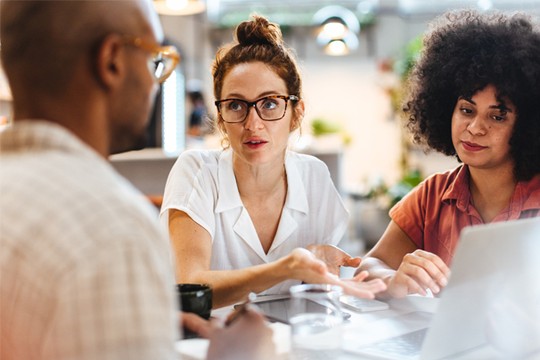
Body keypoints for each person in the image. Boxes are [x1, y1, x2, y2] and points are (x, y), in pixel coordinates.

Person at [0, 1, 276, 359]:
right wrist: (240, 354)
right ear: (112, 60)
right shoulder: (112, 230)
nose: (154, 81)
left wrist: (146, 323)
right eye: (153, 59)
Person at [160, 15, 386, 308]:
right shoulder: (197, 172)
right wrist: (285, 268)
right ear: (221, 116)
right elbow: (191, 288)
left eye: (269, 103)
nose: (253, 123)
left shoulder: (314, 177)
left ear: (297, 112)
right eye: (236, 105)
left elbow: (313, 298)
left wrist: (323, 275)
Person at [359, 9, 540, 299]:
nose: (475, 128)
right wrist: (393, 279)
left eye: (497, 116)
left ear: (528, 125)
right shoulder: (430, 198)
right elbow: (368, 267)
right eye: (466, 110)